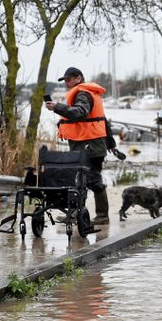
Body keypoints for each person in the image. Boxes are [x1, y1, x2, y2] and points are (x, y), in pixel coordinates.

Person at [45, 66, 113, 225]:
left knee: (93, 180)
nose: (67, 83)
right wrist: (111, 144)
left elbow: (79, 112)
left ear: (78, 78)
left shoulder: (83, 94)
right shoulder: (88, 93)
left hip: (90, 146)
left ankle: (102, 216)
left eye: (69, 79)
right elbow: (103, 120)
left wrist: (57, 107)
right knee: (79, 181)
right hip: (88, 145)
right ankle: (76, 214)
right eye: (65, 80)